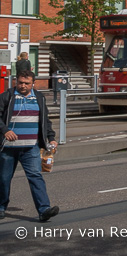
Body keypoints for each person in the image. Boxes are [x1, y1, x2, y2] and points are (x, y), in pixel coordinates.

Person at [0, 71, 60, 221]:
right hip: (8, 148)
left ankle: (44, 209)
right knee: (4, 178)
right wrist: (5, 130)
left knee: (35, 176)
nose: (23, 86)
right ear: (16, 81)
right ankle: (1, 207)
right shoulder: (7, 96)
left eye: (26, 83)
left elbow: (45, 120)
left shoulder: (39, 98)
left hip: (31, 147)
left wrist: (51, 138)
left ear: (33, 83)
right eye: (20, 82)